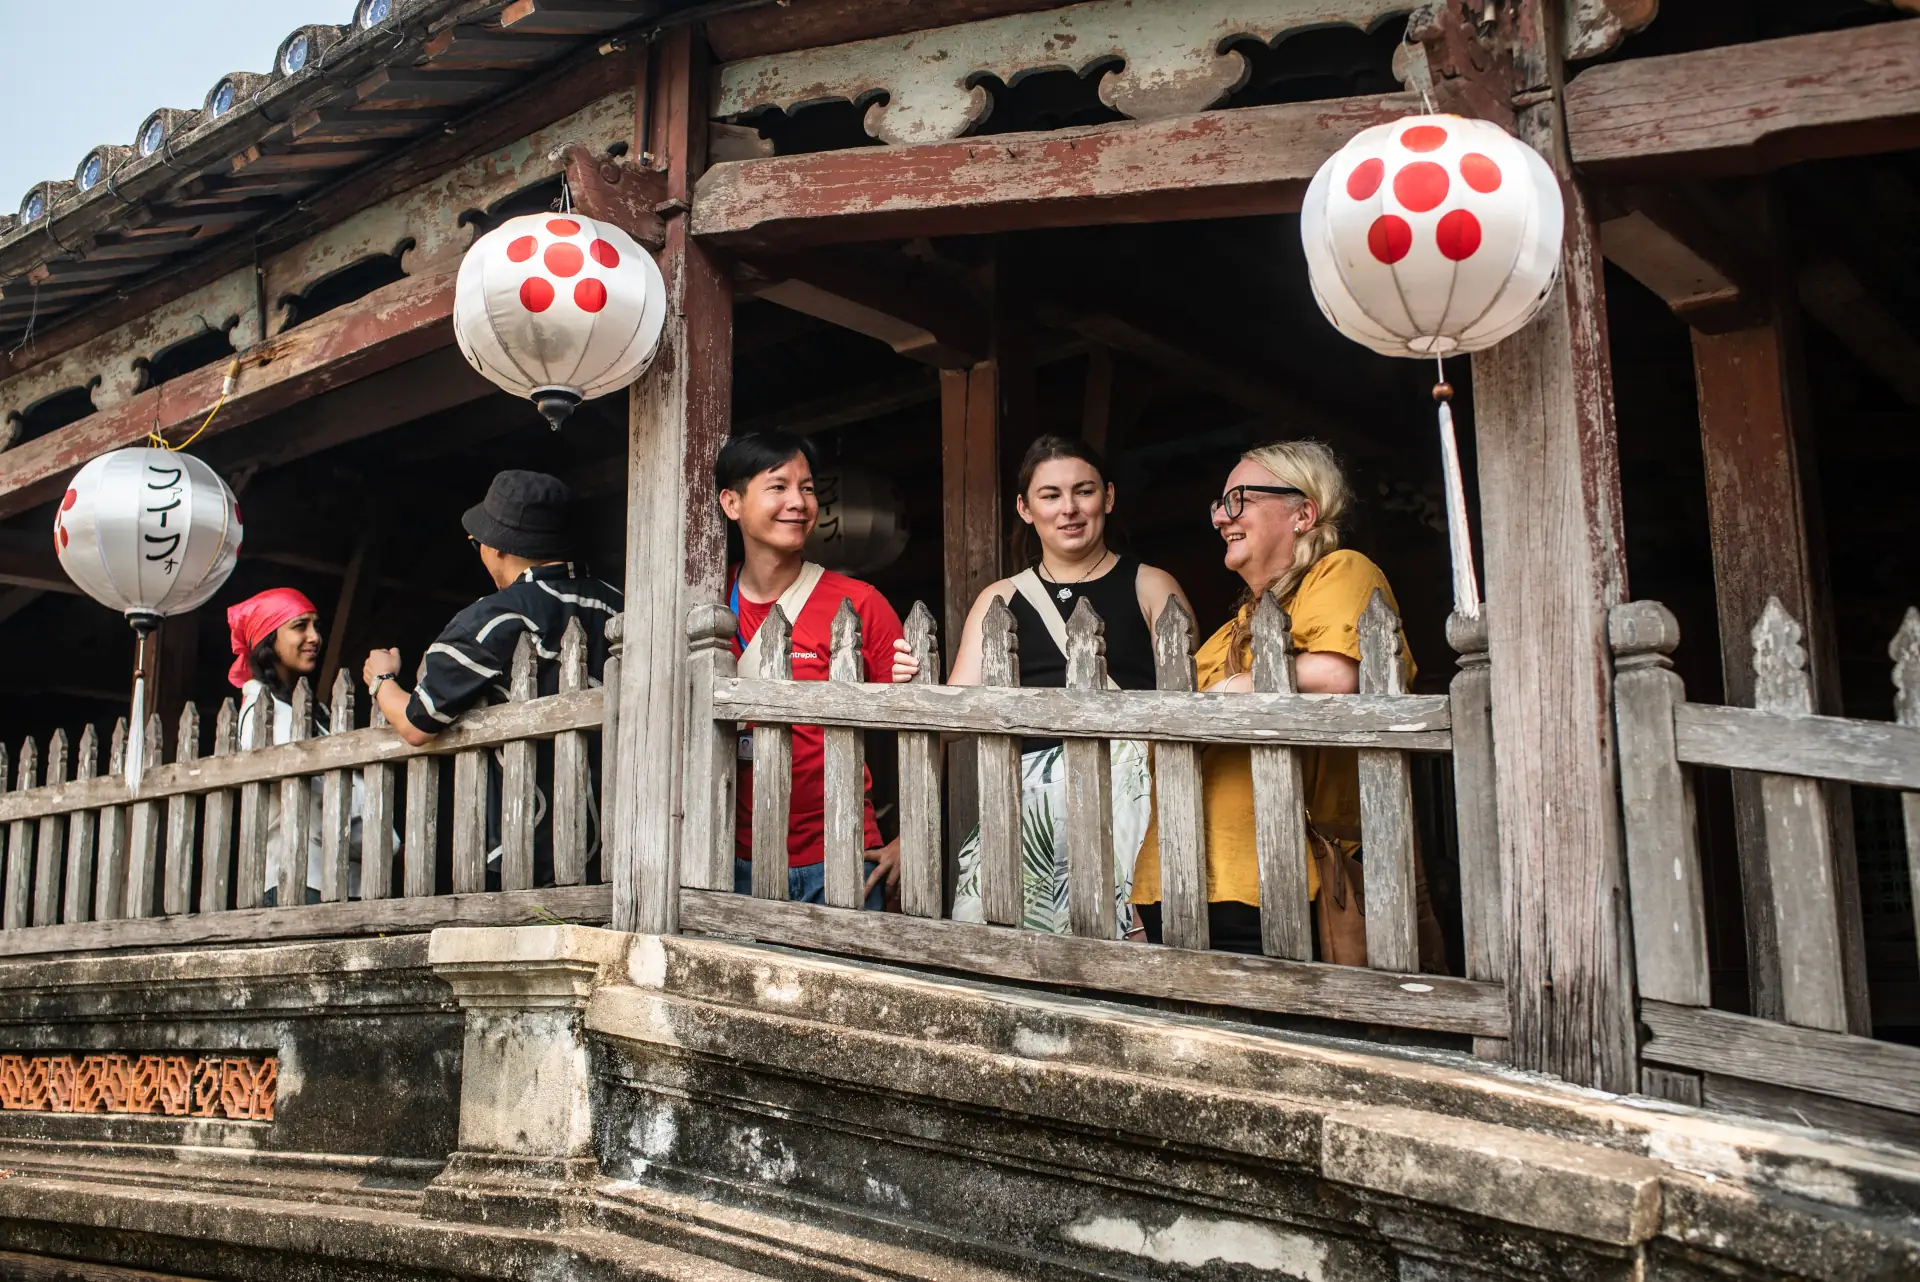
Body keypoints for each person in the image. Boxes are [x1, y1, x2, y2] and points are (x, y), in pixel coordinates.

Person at [1129, 440, 1446, 967]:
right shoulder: (1230, 629)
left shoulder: (1341, 571)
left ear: (1303, 513)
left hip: (1280, 882)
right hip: (1176, 880)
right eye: (1219, 505)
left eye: (1239, 501)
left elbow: (1337, 674)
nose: (1222, 518)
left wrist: (1224, 692)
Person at [893, 435, 1190, 937]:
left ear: (1108, 498)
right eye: (1050, 495)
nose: (1069, 508)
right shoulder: (1000, 598)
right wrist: (912, 685)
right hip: (1024, 811)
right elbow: (950, 723)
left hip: (1132, 807)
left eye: (1084, 491)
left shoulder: (1150, 585)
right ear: (1025, 508)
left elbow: (1188, 705)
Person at [361, 470, 621, 886]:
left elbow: (417, 722)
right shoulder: (619, 604)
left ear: (497, 547)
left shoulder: (495, 617)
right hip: (618, 842)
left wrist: (381, 680)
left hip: (524, 847)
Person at [719, 430, 904, 907]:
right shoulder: (705, 598)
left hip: (845, 857)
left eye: (806, 488)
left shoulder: (860, 603)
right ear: (732, 503)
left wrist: (911, 836)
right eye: (778, 486)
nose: (798, 503)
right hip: (726, 858)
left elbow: (932, 725)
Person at [228, 587, 368, 905]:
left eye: (316, 626)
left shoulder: (305, 710)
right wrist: (384, 836)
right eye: (299, 626)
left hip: (336, 881)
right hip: (299, 880)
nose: (314, 637)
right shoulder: (262, 711)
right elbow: (324, 791)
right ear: (267, 640)